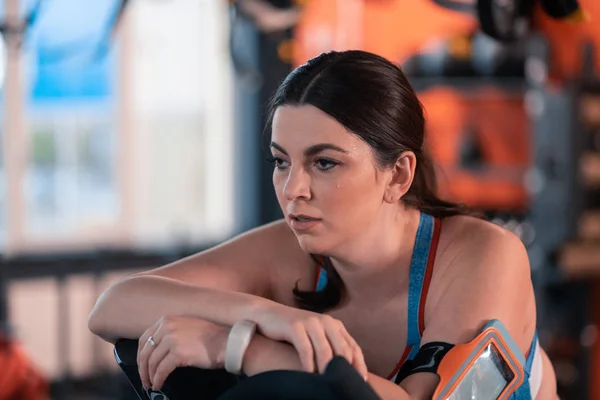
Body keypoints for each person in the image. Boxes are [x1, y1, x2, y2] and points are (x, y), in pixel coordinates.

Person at [88, 50, 558, 400]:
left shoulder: (482, 255)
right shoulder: (293, 251)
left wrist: (241, 348)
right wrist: (268, 314)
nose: (293, 189)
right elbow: (114, 307)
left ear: (397, 175)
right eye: (280, 161)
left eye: (325, 164)